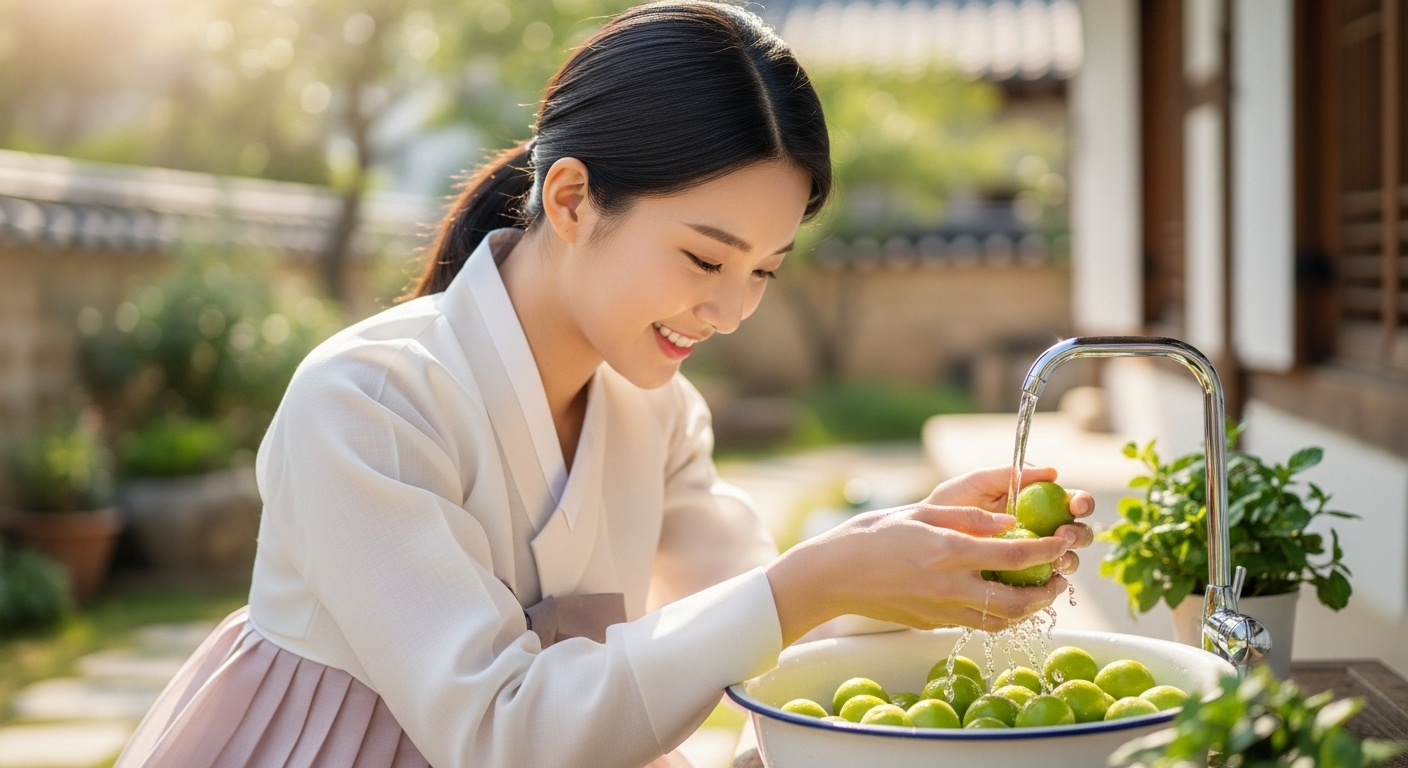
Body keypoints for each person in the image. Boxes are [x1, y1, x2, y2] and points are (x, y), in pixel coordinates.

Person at [114, 2, 1094, 766]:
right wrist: (812, 583)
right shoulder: (367, 401)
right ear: (572, 199)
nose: (733, 307)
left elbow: (757, 613)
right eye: (705, 258)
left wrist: (923, 551)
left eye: (765, 268)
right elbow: (502, 733)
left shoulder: (655, 412)